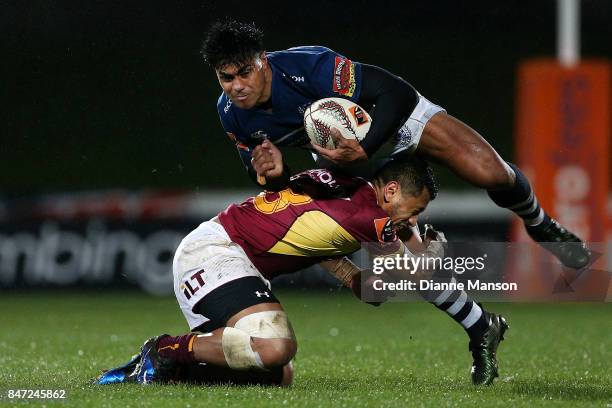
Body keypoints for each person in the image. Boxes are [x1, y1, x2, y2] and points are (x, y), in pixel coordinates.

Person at [200, 19, 589, 270]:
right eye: (226, 77)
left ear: (263, 61)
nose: (237, 86)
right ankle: (474, 321)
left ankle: (541, 225)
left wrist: (366, 145)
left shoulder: (307, 67)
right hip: (348, 158)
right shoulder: (232, 113)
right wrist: (271, 173)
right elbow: (267, 179)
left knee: (491, 173)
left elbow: (395, 92)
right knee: (395, 238)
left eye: (244, 72)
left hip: (396, 121)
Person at [94, 156, 508, 387]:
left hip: (231, 258)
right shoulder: (370, 216)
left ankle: (173, 372)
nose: (413, 219)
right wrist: (425, 258)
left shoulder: (355, 193)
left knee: (277, 374)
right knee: (275, 349)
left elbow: (368, 289)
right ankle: (164, 350)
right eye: (415, 210)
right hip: (216, 251)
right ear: (392, 191)